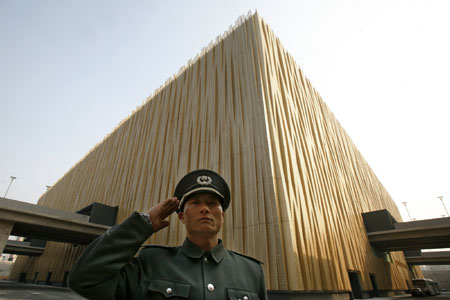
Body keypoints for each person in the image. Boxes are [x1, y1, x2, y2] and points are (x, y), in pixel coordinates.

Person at [68, 169, 268, 300]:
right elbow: (84, 280)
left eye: (212, 203)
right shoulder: (151, 263)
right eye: (196, 203)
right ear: (181, 216)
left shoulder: (251, 272)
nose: (205, 209)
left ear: (222, 216)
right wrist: (142, 224)